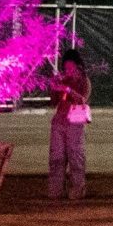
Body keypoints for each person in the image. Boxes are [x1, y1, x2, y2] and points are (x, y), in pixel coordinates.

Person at [48, 47, 90, 201]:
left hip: (75, 122)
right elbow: (53, 102)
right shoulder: (63, 80)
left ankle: (78, 189)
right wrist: (54, 88)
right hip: (59, 121)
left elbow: (83, 99)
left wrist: (68, 90)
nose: (68, 70)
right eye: (66, 67)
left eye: (70, 67)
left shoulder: (84, 81)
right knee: (56, 157)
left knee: (75, 156)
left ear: (78, 66)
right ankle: (55, 190)